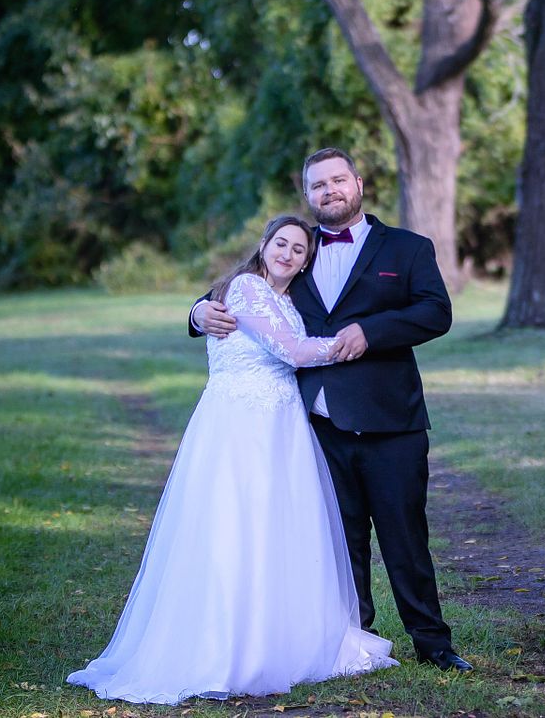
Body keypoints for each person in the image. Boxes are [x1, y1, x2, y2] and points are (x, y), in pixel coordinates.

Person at [68, 216, 395, 704]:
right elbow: (293, 352)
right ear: (263, 246)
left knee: (279, 530)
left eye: (299, 249)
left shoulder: (287, 299)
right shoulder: (244, 287)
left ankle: (284, 640)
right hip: (240, 428)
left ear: (307, 261)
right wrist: (349, 343)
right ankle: (224, 649)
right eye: (280, 243)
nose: (287, 253)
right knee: (232, 528)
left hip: (282, 428)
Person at [190, 147, 472, 672]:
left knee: (405, 536)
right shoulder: (297, 250)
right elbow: (234, 292)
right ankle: (350, 638)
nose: (329, 191)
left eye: (338, 180)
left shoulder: (407, 248)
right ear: (308, 195)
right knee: (337, 541)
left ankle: (433, 644)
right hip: (315, 424)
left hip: (391, 419)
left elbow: (436, 311)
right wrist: (197, 310)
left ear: (358, 183)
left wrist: (372, 331)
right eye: (318, 185)